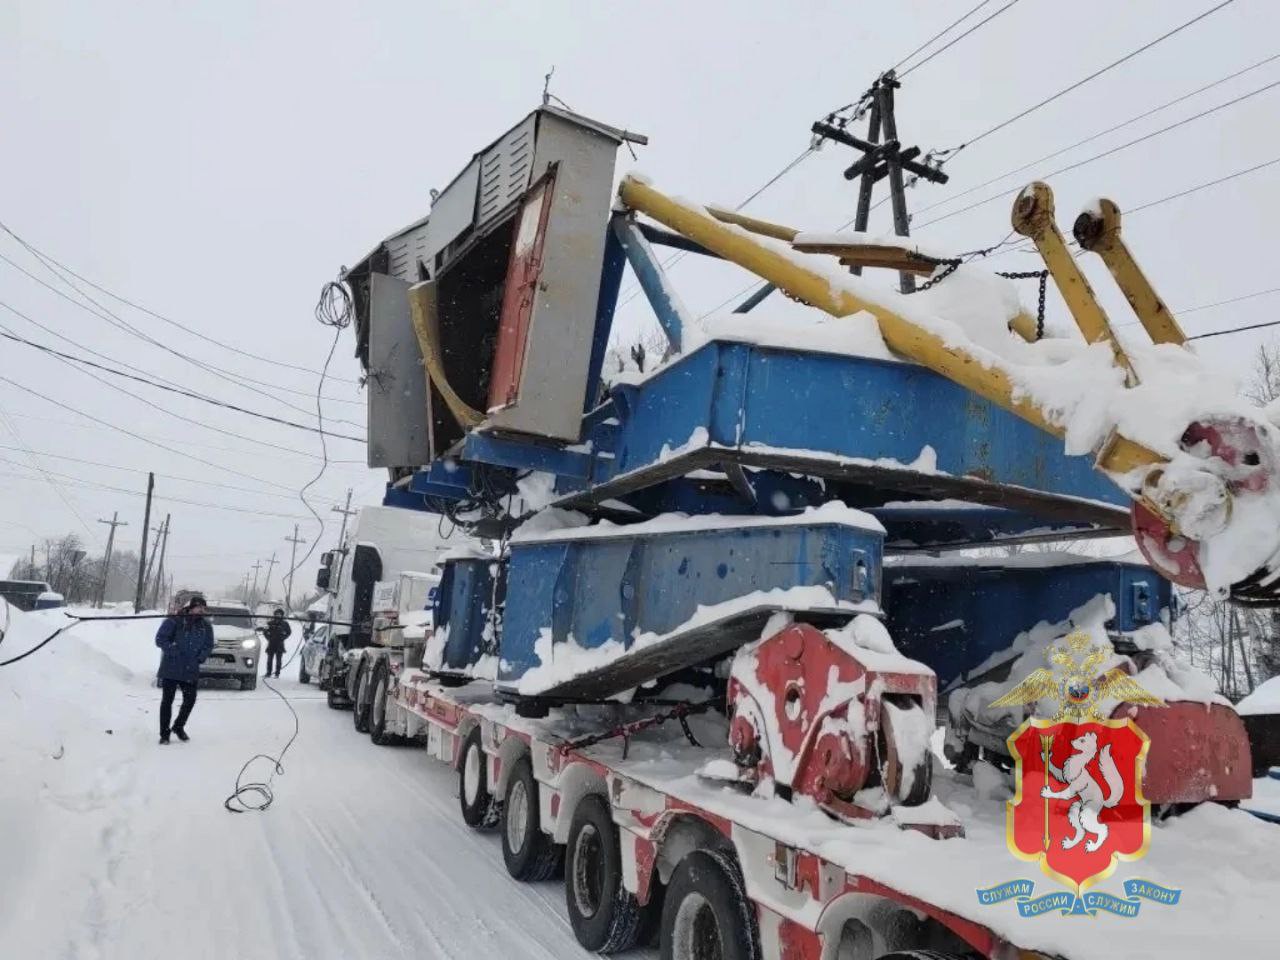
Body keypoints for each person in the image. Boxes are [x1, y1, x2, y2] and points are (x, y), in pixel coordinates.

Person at [155, 594, 214, 745]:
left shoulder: (205, 626)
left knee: (190, 699)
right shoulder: (175, 620)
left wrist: (200, 657)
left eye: (203, 608)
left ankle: (178, 726)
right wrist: (173, 650)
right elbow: (160, 639)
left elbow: (208, 645)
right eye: (199, 607)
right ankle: (164, 734)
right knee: (167, 701)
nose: (201, 610)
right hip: (171, 667)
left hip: (190, 669)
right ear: (191, 607)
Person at [262, 608, 292, 679]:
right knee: (269, 660)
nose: (278, 615)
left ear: (282, 615)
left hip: (280, 644)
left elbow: (289, 632)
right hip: (271, 643)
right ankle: (268, 673)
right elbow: (265, 631)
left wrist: (283, 637)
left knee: (278, 660)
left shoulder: (285, 624)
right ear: (274, 614)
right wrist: (268, 638)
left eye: (279, 614)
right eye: (276, 614)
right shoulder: (270, 623)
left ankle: (277, 674)